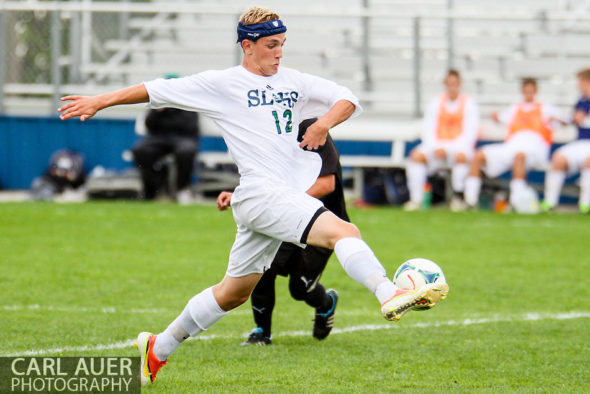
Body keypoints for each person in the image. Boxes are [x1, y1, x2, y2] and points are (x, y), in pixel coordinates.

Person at [58, 6, 448, 386]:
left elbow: (347, 98)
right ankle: (389, 291)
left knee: (233, 294)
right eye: (270, 45)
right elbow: (155, 90)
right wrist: (100, 100)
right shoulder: (223, 84)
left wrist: (323, 126)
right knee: (344, 231)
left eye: (282, 44)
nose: (279, 52)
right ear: (247, 45)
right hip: (262, 193)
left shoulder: (294, 81)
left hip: (267, 199)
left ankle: (158, 347)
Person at [217, 119, 348, 345]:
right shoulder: (270, 132)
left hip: (321, 222)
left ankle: (326, 303)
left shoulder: (314, 130)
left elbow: (326, 184)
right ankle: (261, 332)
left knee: (300, 289)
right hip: (284, 216)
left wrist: (285, 203)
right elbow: (262, 179)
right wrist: (239, 195)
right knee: (262, 267)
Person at [464, 78, 563, 209]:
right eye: (526, 91)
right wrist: (495, 116)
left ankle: (517, 201)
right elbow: (499, 118)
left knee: (519, 157)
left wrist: (557, 120)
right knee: (478, 155)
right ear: (522, 91)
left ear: (535, 91)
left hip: (535, 148)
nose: (529, 94)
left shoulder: (546, 108)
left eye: (531, 91)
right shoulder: (515, 108)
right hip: (511, 146)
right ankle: (469, 201)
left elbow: (566, 119)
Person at [404, 69, 479, 211]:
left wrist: (451, 148)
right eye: (449, 84)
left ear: (460, 84)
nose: (452, 87)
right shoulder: (436, 102)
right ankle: (416, 199)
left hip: (459, 147)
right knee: (417, 156)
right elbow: (428, 128)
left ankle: (458, 197)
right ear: (445, 84)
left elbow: (470, 132)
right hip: (436, 146)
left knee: (461, 158)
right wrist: (435, 147)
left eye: (455, 84)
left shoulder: (469, 104)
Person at [132, 73, 199, 202]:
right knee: (141, 150)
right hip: (160, 138)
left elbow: (190, 126)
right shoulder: (159, 105)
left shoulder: (188, 102)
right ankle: (154, 188)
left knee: (185, 151)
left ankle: (182, 188)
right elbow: (149, 125)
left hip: (183, 138)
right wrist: (158, 112)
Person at [542, 68, 590, 213]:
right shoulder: (581, 100)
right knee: (558, 158)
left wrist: (584, 120)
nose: (578, 85)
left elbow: (582, 120)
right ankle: (550, 202)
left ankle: (585, 204)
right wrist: (562, 120)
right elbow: (575, 120)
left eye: (580, 81)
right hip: (580, 142)